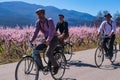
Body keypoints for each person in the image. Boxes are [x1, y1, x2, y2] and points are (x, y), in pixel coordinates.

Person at [30, 8, 59, 75]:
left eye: (40, 14)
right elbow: (36, 32)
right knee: (36, 50)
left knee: (48, 53)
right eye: (38, 14)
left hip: (54, 38)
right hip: (46, 39)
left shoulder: (49, 20)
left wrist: (48, 40)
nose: (39, 15)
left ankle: (56, 66)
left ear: (44, 14)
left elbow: (51, 31)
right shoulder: (38, 22)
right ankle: (40, 66)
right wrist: (31, 40)